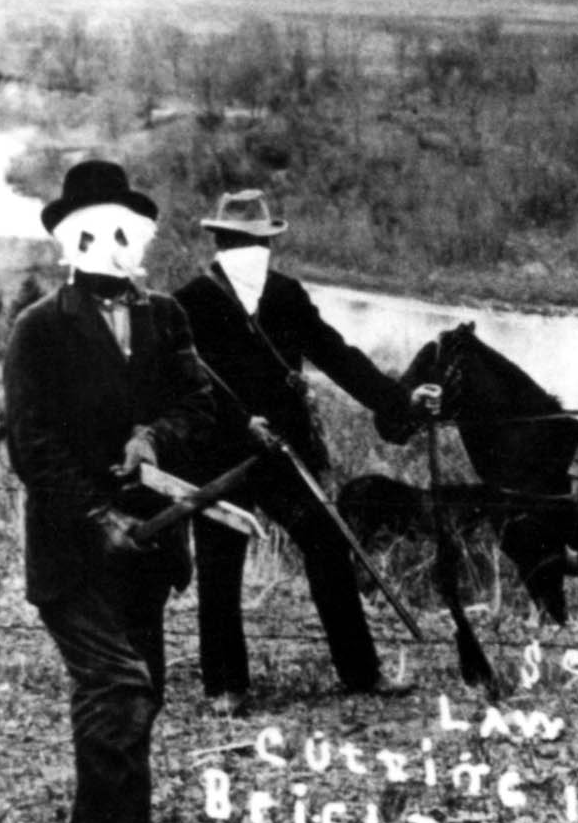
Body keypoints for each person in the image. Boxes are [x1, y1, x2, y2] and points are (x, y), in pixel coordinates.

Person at [4, 159, 219, 823]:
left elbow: (201, 402)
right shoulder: (39, 330)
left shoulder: (167, 317)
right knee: (118, 685)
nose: (120, 244)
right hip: (73, 548)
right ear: (74, 240)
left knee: (140, 689)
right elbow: (31, 446)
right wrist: (96, 516)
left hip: (149, 540)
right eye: (101, 231)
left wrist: (154, 436)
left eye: (131, 231)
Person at [171, 189, 441, 712]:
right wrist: (239, 422)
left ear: (270, 243)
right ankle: (225, 686)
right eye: (240, 243)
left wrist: (400, 398)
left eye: (259, 243)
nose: (252, 252)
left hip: (284, 457)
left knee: (327, 545)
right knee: (220, 564)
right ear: (222, 243)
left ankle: (361, 674)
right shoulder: (189, 304)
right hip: (222, 458)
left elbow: (337, 357)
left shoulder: (287, 296)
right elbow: (185, 386)